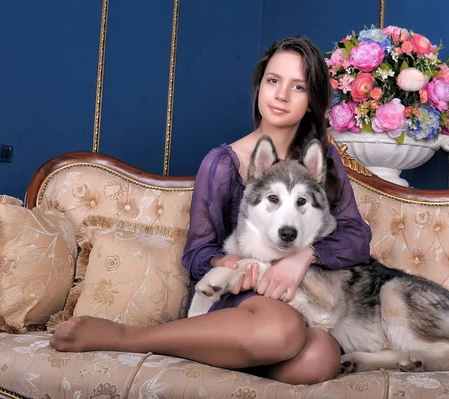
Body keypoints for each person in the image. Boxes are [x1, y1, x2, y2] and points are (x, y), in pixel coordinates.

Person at [49, 35, 372, 385]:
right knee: (282, 329)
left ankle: (226, 353)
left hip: (303, 299)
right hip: (238, 298)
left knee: (320, 357)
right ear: (259, 86)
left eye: (298, 87)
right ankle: (127, 338)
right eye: (273, 81)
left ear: (311, 101)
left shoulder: (323, 162)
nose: (281, 95)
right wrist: (228, 263)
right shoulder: (222, 163)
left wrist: (302, 257)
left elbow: (356, 237)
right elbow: (198, 253)